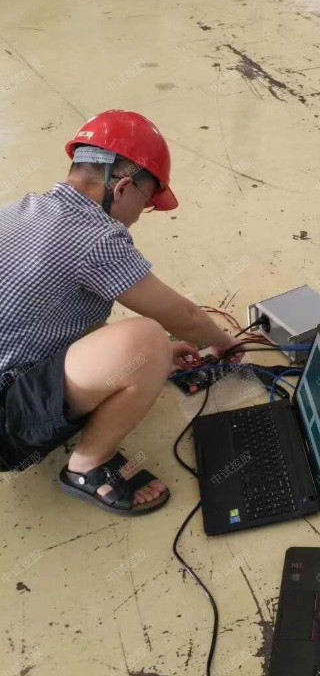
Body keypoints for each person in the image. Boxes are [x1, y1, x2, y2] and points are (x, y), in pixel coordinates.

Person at [0, 110, 241, 516]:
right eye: (146, 203)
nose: (139, 216)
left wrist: (147, 363)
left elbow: (52, 320)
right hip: (7, 423)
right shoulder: (95, 237)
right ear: (124, 187)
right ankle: (87, 467)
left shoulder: (22, 209)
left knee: (146, 350)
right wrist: (224, 343)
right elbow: (182, 316)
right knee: (147, 337)